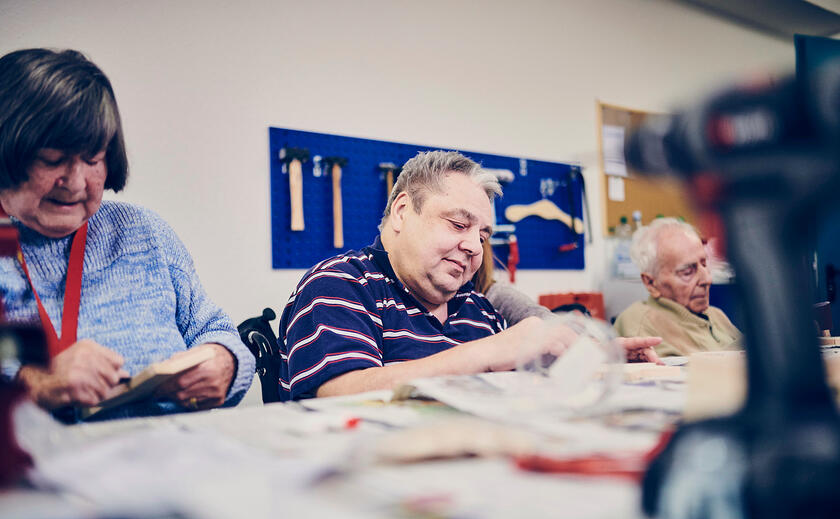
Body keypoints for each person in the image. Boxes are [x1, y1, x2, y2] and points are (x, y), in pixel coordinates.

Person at [277, 150, 661, 401]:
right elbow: (337, 393)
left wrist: (596, 359)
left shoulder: (475, 307)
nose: (477, 248)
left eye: (483, 235)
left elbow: (521, 387)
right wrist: (491, 351)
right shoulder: (339, 285)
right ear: (401, 212)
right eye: (459, 224)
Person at [0, 48, 254, 421]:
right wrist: (35, 385)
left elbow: (216, 330)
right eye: (52, 160)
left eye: (92, 160)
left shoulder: (144, 232)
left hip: (170, 457)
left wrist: (225, 362)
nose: (74, 183)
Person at [614, 217, 741, 357]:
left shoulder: (716, 314)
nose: (707, 279)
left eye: (704, 264)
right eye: (687, 272)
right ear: (651, 283)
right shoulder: (641, 322)